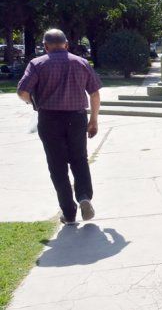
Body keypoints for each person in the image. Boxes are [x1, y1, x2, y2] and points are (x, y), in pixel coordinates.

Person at [17, 29, 102, 225]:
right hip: (77, 118)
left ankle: (69, 212)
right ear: (66, 44)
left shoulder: (37, 64)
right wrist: (94, 120)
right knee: (79, 159)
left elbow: (22, 92)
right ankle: (84, 197)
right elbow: (95, 94)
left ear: (45, 46)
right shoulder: (81, 63)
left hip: (49, 119)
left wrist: (33, 103)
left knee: (57, 166)